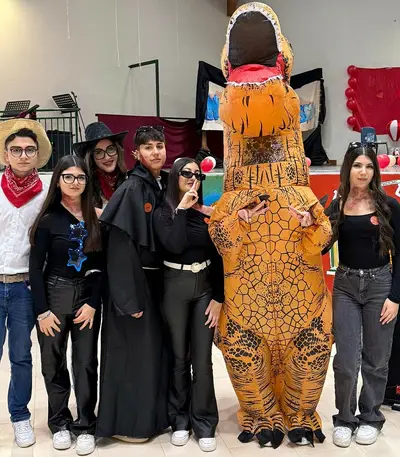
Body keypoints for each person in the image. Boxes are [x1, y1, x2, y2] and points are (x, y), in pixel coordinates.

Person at [324, 143, 400, 448]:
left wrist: (395, 297)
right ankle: (344, 418)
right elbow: (321, 246)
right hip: (345, 286)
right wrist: (309, 226)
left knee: (377, 358)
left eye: (369, 166)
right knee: (345, 360)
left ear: (375, 171)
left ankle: (370, 417)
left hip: (380, 286)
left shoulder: (389, 206)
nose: (363, 172)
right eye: (358, 165)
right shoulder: (337, 204)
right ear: (348, 168)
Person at [96, 125, 169, 442]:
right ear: (136, 154)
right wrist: (128, 299)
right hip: (133, 287)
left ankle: (152, 420)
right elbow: (119, 247)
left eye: (159, 145)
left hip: (154, 283)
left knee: (151, 355)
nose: (155, 152)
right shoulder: (132, 189)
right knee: (131, 357)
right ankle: (127, 426)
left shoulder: (158, 184)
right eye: (148, 147)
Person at [29, 155, 103, 456]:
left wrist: (93, 304)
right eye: (69, 177)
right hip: (54, 296)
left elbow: (102, 265)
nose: (75, 182)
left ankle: (86, 425)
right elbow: (35, 268)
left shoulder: (95, 216)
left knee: (85, 362)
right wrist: (42, 312)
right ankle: (59, 423)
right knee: (53, 362)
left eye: (80, 177)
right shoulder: (48, 220)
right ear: (58, 181)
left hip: (87, 298)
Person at [154, 158, 224, 452]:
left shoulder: (206, 213)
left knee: (202, 359)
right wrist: (182, 209)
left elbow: (218, 255)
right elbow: (174, 245)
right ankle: (180, 419)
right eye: (187, 173)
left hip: (204, 288)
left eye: (198, 174)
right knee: (179, 357)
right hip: (174, 287)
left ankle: (204, 421)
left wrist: (219, 298)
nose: (193, 178)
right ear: (174, 177)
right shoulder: (163, 212)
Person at [0, 119, 52, 448]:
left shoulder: (45, 193)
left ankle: (20, 416)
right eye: (16, 150)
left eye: (29, 150)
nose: (22, 155)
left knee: (21, 356)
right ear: (6, 154)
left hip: (24, 287)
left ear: (37, 155)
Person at [73, 122, 128, 208]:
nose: (107, 157)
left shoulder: (130, 180)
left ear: (118, 150)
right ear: (91, 157)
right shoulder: (84, 187)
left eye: (110, 149)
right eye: (99, 152)